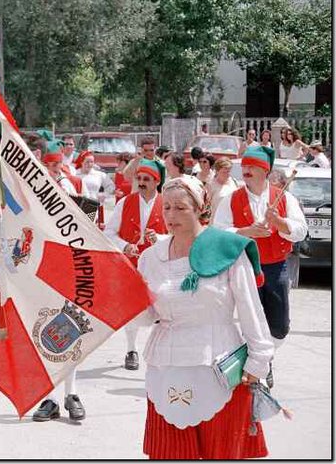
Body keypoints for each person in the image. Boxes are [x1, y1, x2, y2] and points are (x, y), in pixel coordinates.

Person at [138, 176, 274, 459]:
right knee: (171, 453)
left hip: (221, 368)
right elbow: (146, 315)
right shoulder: (151, 258)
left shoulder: (228, 250)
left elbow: (251, 309)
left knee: (222, 453)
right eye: (167, 208)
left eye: (180, 208)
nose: (171, 216)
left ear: (201, 208)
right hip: (166, 366)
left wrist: (259, 361)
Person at [213, 146, 307, 387]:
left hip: (276, 266)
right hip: (245, 266)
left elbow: (300, 231)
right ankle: (255, 368)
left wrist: (280, 223)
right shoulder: (231, 199)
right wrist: (246, 231)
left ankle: (266, 359)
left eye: (252, 166)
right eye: (244, 166)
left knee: (279, 326)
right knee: (250, 321)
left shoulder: (284, 197)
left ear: (265, 170)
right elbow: (218, 232)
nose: (246, 170)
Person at [32, 149, 87, 423]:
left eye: (57, 164)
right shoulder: (30, 189)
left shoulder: (75, 184)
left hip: (73, 264)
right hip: (43, 267)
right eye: (48, 164)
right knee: (46, 330)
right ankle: (50, 397)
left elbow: (90, 225)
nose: (53, 168)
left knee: (72, 328)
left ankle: (71, 393)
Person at [104, 159, 167, 371]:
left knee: (163, 307)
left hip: (158, 264)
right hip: (131, 264)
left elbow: (177, 234)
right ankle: (131, 349)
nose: (141, 182)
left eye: (146, 179)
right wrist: (125, 246)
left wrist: (158, 237)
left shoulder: (167, 203)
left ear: (156, 181)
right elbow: (109, 233)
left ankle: (162, 350)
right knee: (131, 308)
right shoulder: (125, 203)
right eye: (139, 178)